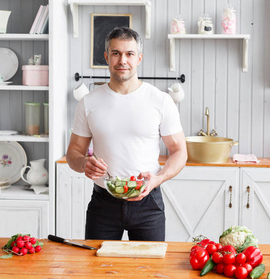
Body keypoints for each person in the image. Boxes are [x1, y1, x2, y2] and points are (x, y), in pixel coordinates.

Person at [66, 27, 187, 241]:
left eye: (129, 54)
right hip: (103, 204)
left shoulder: (160, 101)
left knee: (149, 272)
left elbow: (179, 151)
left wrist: (157, 179)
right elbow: (73, 153)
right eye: (116, 53)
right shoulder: (89, 102)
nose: (123, 60)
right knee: (97, 270)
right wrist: (84, 163)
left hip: (148, 202)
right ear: (106, 57)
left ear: (139, 58)